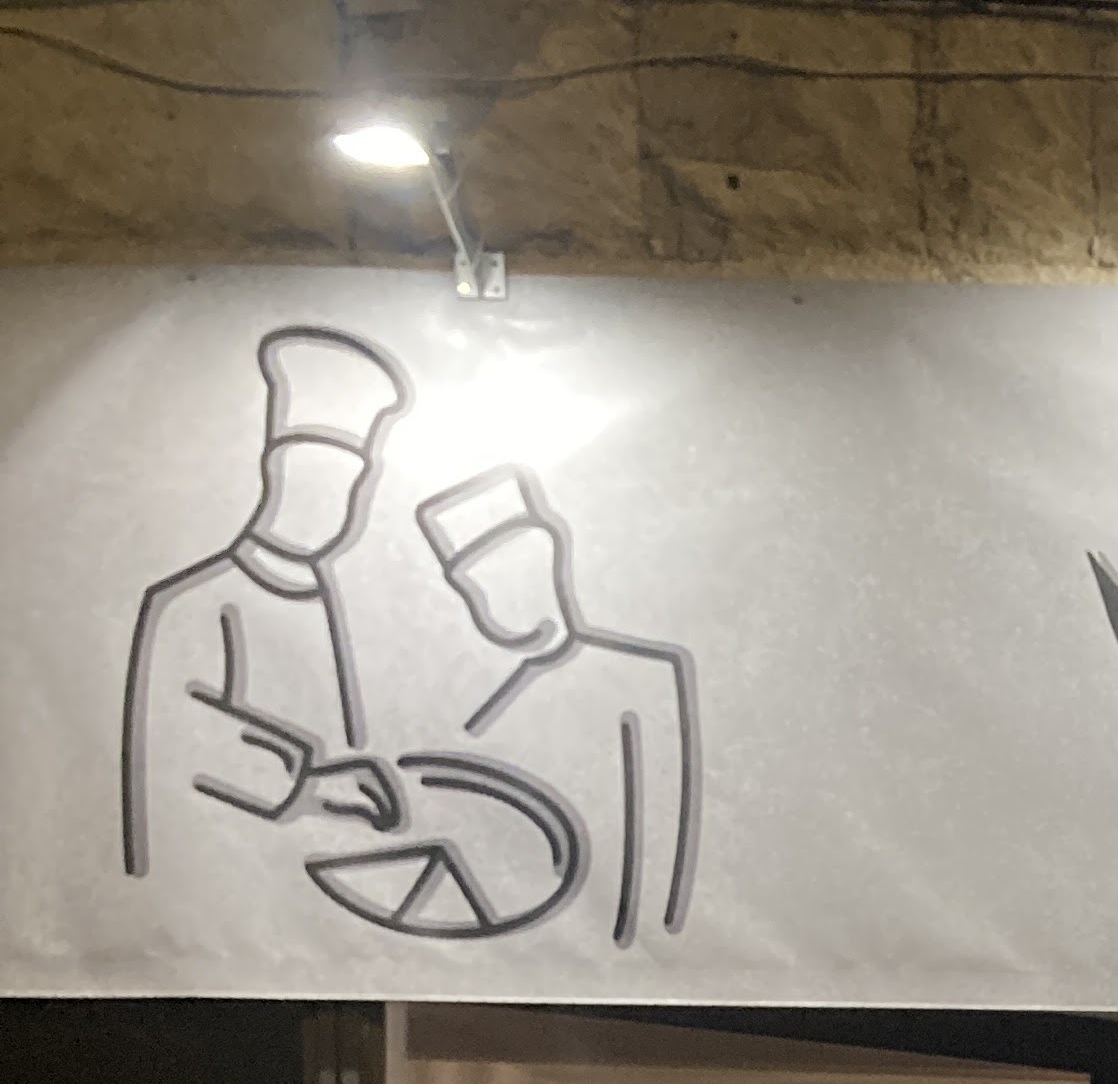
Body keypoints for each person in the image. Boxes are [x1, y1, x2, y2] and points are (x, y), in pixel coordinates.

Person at [121, 323, 412, 878]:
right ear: (273, 472)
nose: (336, 502)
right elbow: (179, 741)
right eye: (315, 481)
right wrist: (310, 784)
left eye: (348, 485)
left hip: (311, 879)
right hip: (209, 883)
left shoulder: (323, 603)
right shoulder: (194, 602)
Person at [414, 464, 702, 941]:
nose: (498, 598)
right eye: (478, 584)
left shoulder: (639, 677)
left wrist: (648, 938)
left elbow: (663, 826)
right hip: (528, 924)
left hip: (617, 938)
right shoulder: (485, 707)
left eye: (517, 572)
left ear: (552, 558)